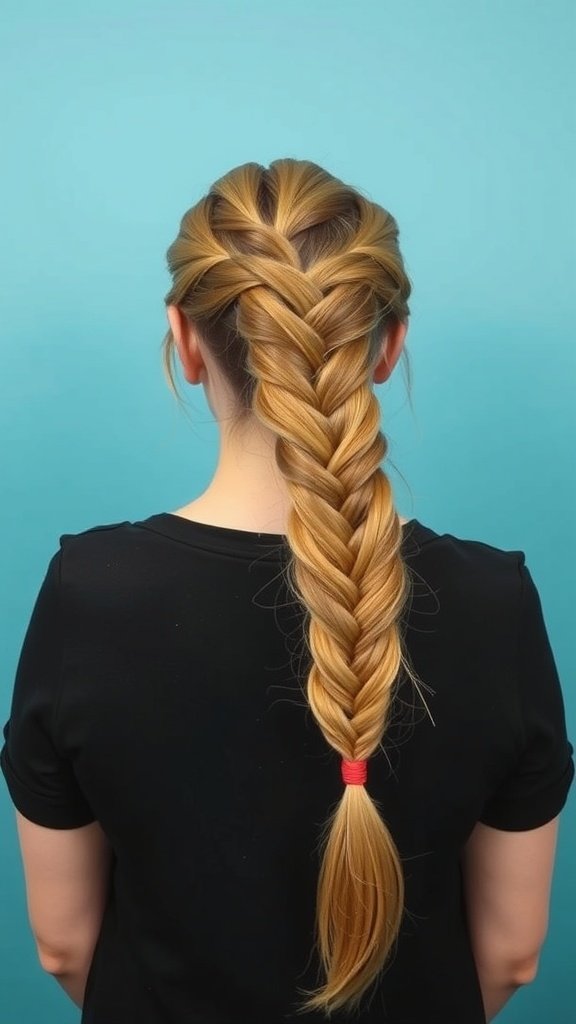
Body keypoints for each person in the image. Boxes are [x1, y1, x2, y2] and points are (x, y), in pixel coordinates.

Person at [1, 158, 573, 1024]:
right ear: (389, 346)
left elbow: (63, 946)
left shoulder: (89, 594)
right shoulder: (498, 601)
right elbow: (513, 954)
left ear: (185, 341)